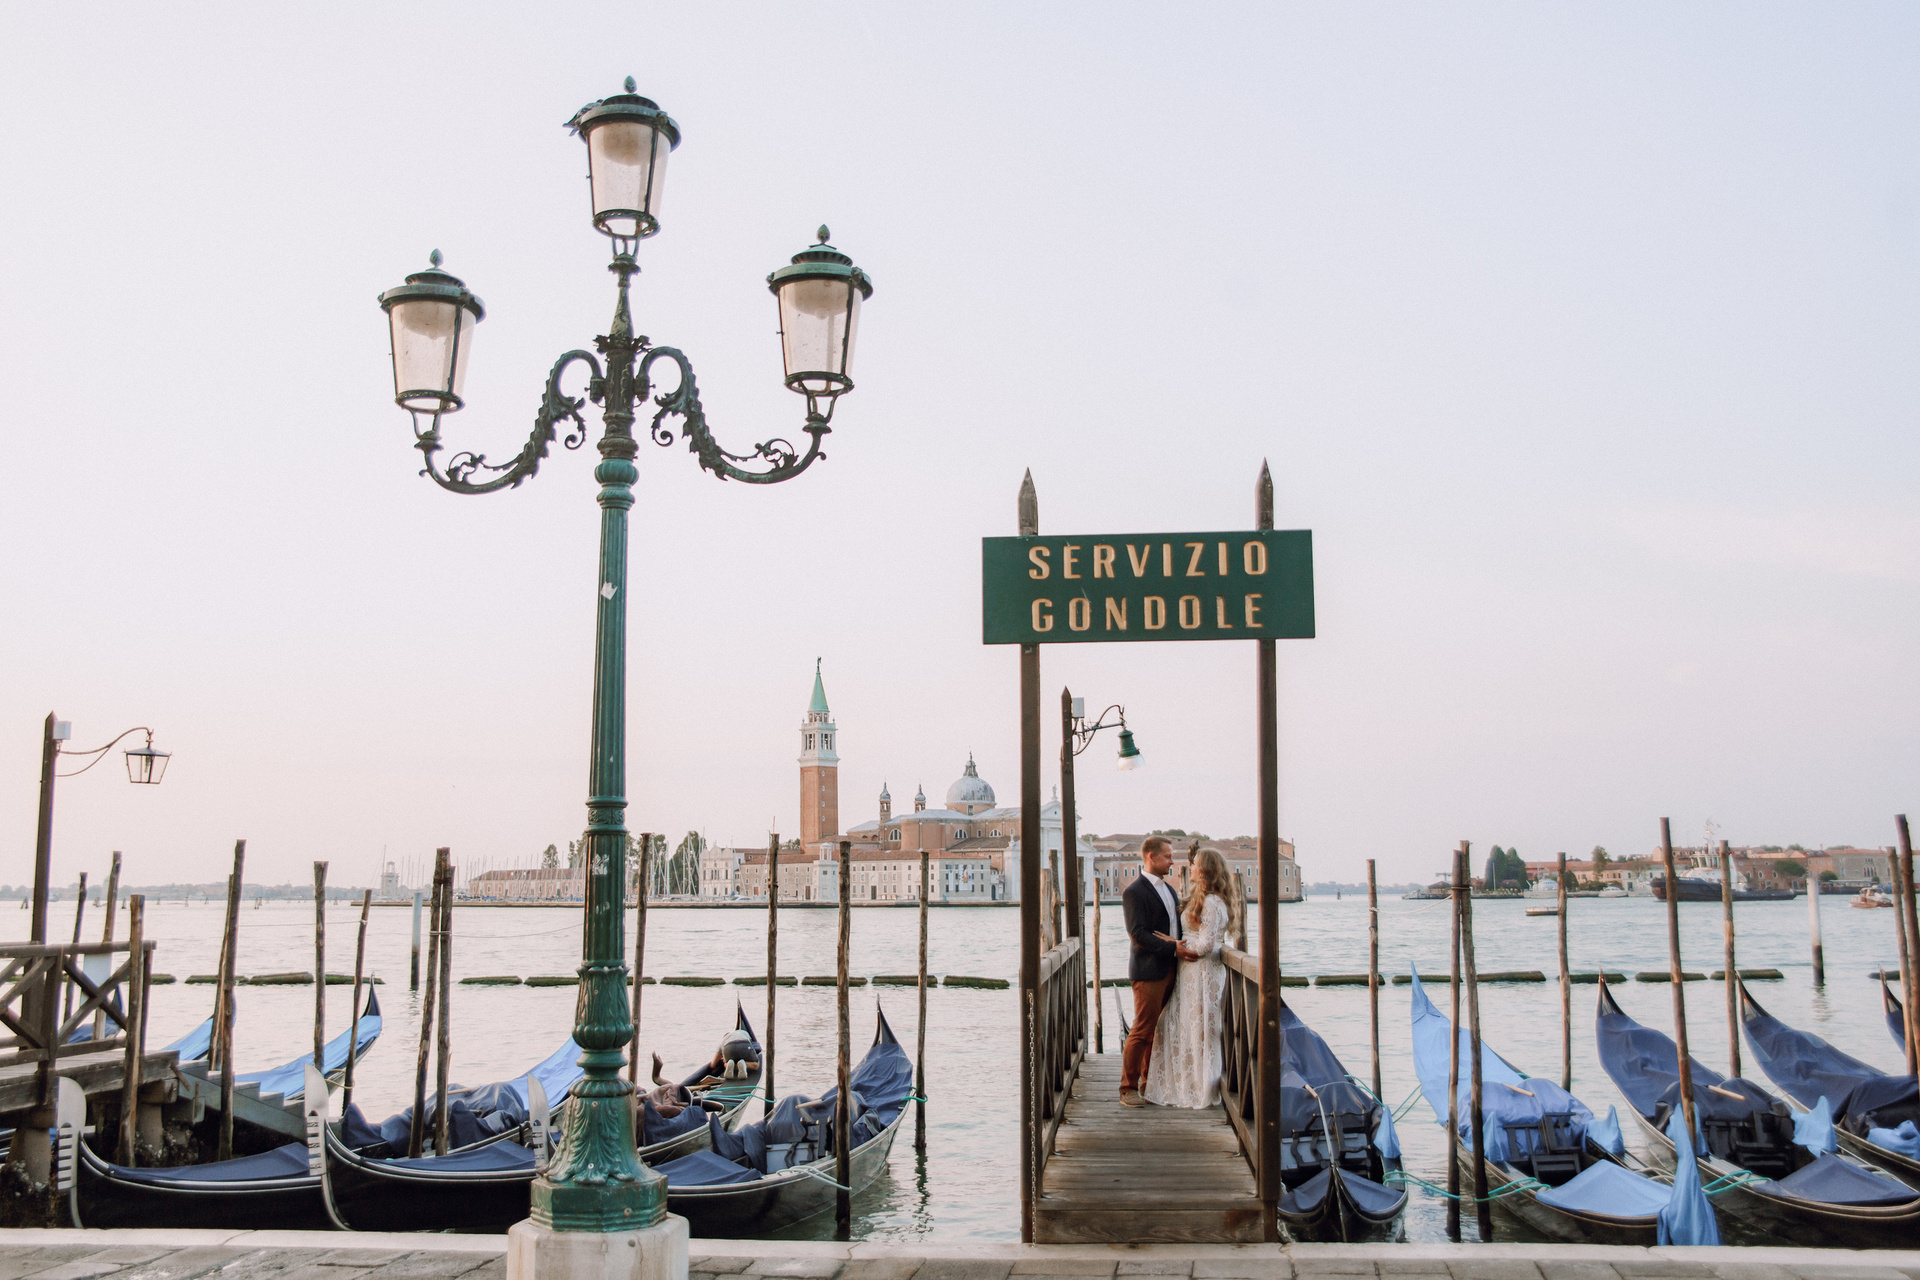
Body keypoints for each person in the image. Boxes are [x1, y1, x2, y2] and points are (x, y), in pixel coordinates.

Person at [1143, 847, 1240, 1108]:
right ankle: (1184, 1085)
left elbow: (1207, 944)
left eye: (1195, 864)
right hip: (1189, 971)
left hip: (1202, 972)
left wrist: (1176, 946)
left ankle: (1200, 1089)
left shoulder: (1212, 903)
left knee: (1199, 1030)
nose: (1191, 868)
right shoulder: (1203, 899)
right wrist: (1177, 944)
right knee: (1178, 1025)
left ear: (1206, 870)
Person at [1120, 836, 1197, 1106]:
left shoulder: (1170, 890)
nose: (1172, 861)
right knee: (1142, 1029)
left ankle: (1149, 1084)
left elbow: (1175, 927)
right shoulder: (1134, 892)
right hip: (1149, 970)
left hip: (1172, 968)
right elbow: (1138, 933)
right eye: (1167, 856)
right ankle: (1127, 1089)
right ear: (1151, 857)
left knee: (1159, 1031)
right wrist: (1173, 948)